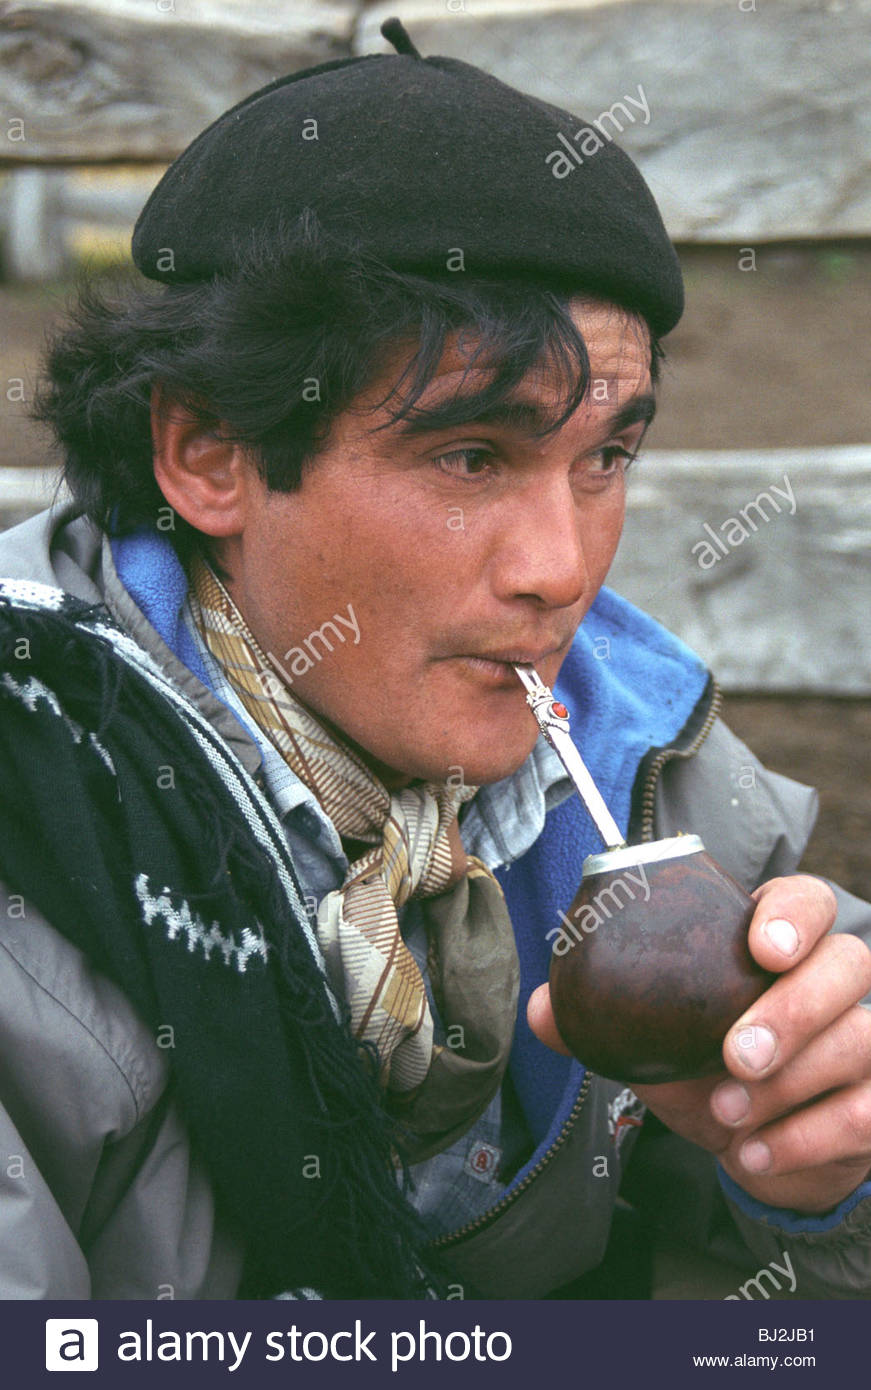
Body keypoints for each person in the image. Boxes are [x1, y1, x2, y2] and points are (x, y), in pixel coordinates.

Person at [0, 17, 869, 1302]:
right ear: (208, 455)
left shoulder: (661, 790)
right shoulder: (41, 827)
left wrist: (815, 1185)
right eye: (471, 457)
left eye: (606, 457)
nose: (561, 567)